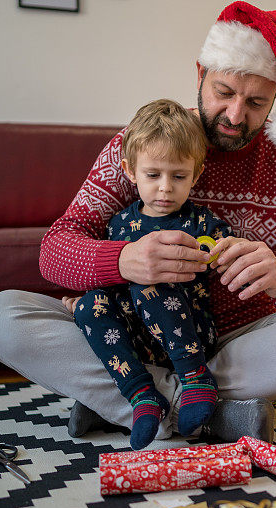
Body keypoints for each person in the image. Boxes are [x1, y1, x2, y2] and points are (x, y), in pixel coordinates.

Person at [0, 1, 276, 443]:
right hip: (135, 327)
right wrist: (125, 260)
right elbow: (55, 250)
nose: (236, 115)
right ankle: (206, 410)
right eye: (223, 92)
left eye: (256, 102)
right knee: (0, 317)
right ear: (199, 73)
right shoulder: (144, 145)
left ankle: (136, 401)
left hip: (238, 340)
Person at [69, 99, 234, 450]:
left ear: (196, 174)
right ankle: (142, 396)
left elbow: (228, 258)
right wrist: (81, 302)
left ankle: (195, 379)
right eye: (153, 175)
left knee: (150, 282)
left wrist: (224, 256)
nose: (165, 188)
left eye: (178, 176)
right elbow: (108, 280)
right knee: (89, 305)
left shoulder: (203, 223)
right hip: (137, 341)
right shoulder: (119, 224)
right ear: (130, 171)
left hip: (189, 333)